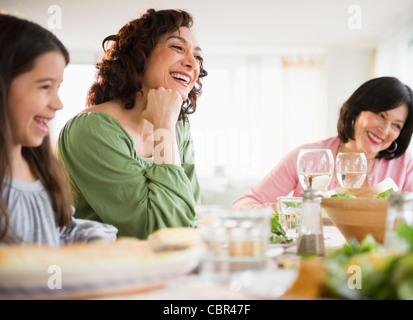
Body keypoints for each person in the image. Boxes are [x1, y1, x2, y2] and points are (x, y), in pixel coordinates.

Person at [57, 9, 208, 239]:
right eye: (177, 48)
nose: (191, 63)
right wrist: (163, 128)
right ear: (139, 56)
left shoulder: (179, 127)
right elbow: (158, 232)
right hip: (109, 270)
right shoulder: (91, 129)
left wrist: (167, 126)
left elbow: (191, 217)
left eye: (197, 57)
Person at [0, 13, 117, 245]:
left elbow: (60, 230)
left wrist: (92, 239)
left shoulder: (39, 168)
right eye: (45, 86)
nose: (58, 104)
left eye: (58, 88)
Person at [233, 76, 413, 208]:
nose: (385, 130)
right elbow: (244, 203)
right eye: (381, 115)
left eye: (396, 125)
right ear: (358, 110)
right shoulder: (309, 156)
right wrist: (266, 211)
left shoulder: (405, 165)